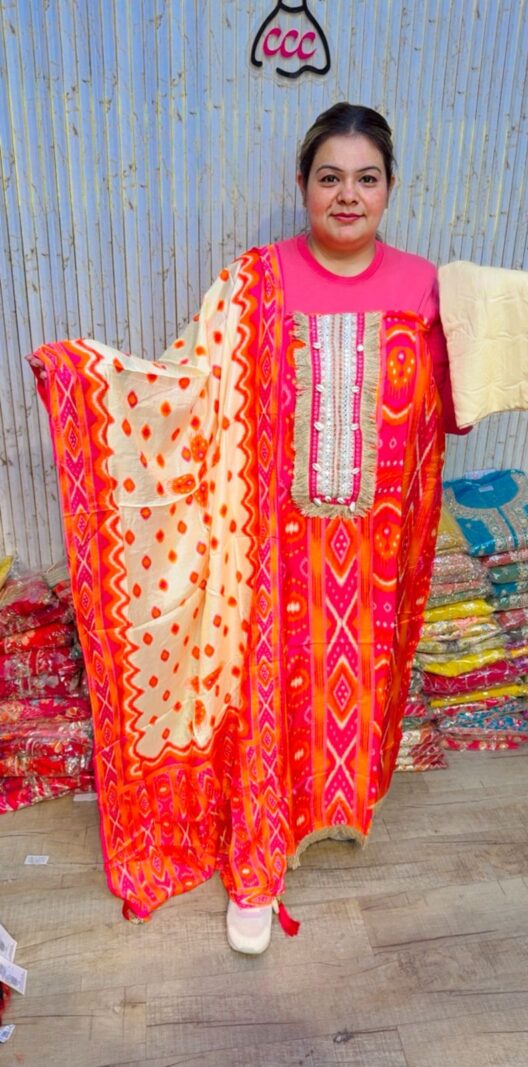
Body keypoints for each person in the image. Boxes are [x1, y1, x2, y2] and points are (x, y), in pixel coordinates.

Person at [29, 102, 468, 956]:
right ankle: (256, 864)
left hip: (379, 549)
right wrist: (90, 379)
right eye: (330, 177)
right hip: (267, 550)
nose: (348, 195)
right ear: (301, 185)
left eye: (366, 178)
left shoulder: (426, 287)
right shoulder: (256, 280)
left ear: (391, 188)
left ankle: (331, 813)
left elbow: (450, 408)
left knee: (359, 694)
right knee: (270, 699)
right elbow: (189, 385)